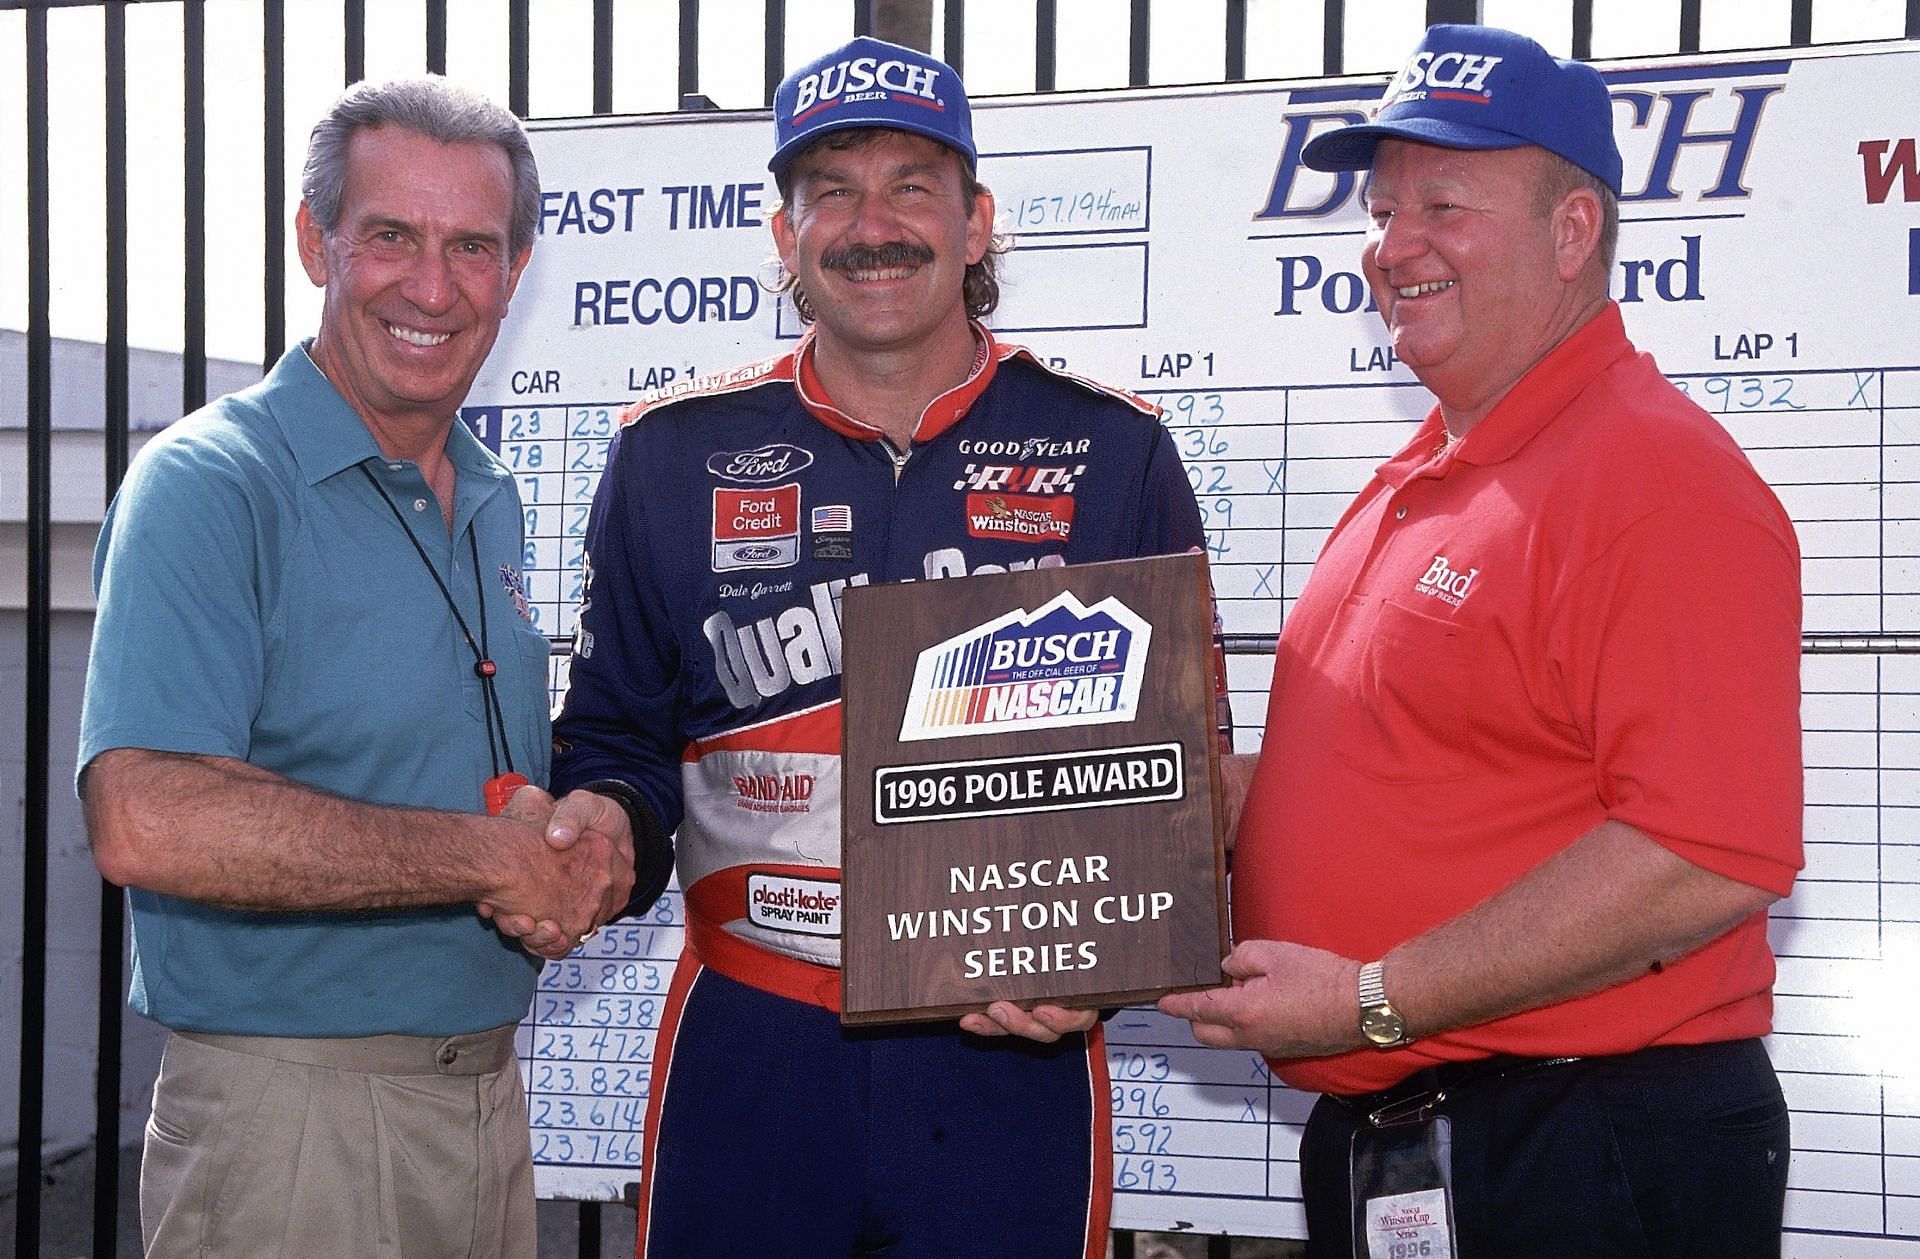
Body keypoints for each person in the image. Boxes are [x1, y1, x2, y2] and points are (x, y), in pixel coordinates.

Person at [545, 35, 1207, 1259]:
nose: (872, 224)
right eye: (831, 192)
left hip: (1010, 1041)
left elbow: (1186, 780)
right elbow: (619, 738)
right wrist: (598, 828)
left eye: (911, 185)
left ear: (976, 222)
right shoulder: (671, 453)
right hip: (753, 1040)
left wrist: (1104, 974)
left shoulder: (1116, 454)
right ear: (783, 236)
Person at [1158, 24, 1803, 1259]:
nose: (1393, 245)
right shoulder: (1436, 471)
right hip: (1434, 1138)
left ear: (1572, 234)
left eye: (1443, 204)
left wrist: (1371, 997)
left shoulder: (1653, 478)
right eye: (1382, 206)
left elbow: (1705, 851)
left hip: (1580, 1140)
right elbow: (1392, 783)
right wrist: (1120, 839)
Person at [79, 76, 658, 1259]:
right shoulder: (211, 483)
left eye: (473, 247)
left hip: (486, 1102)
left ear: (518, 268)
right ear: (315, 241)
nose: (432, 288)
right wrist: (487, 857)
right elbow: (144, 816)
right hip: (291, 1129)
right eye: (391, 236)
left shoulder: (491, 496)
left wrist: (582, 831)